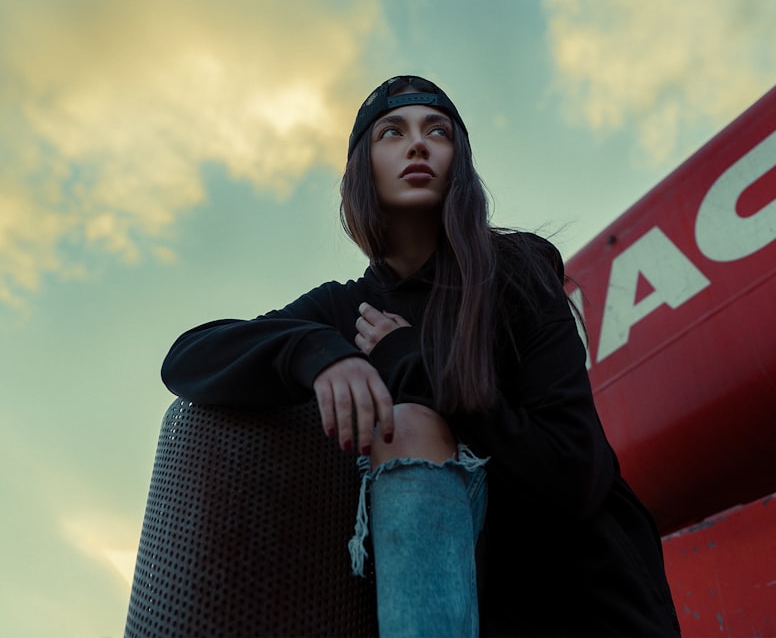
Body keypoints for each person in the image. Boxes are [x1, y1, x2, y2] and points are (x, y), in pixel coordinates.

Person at [161, 75, 681, 637]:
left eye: (438, 132)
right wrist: (317, 353)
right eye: (392, 132)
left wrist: (408, 359)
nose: (418, 144)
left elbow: (574, 475)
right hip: (432, 601)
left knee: (405, 423)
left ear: (459, 161)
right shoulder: (346, 309)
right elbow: (189, 357)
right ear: (363, 167)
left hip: (583, 601)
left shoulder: (517, 272)